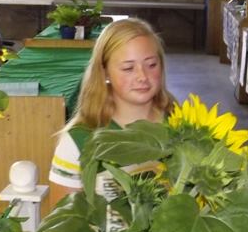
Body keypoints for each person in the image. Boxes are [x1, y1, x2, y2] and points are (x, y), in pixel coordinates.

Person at [48, 18, 175, 208]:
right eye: (128, 68)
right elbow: (63, 220)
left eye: (151, 65)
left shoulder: (183, 127)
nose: (142, 76)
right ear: (105, 72)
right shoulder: (79, 141)